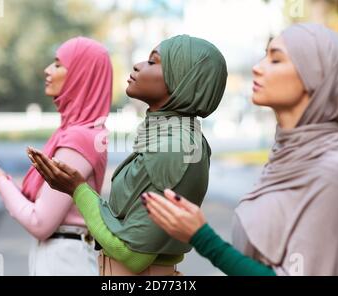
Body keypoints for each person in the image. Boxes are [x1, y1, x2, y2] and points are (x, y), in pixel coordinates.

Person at [143, 23, 338, 276]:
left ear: (316, 76)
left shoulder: (332, 171)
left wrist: (201, 237)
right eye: (264, 55)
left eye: (276, 60)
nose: (257, 68)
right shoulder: (287, 158)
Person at [28, 34, 228, 275]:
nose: (138, 65)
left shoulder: (175, 147)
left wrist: (77, 189)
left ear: (183, 79)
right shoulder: (172, 139)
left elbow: (132, 255)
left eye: (153, 62)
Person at [0, 37, 112, 275]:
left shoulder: (79, 138)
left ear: (82, 74)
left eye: (58, 64)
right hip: (61, 256)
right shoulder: (71, 133)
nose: (47, 70)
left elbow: (40, 223)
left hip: (65, 261)